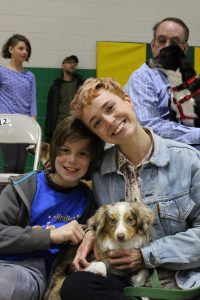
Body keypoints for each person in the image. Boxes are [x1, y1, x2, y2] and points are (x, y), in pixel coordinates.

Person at [60, 78, 200, 300]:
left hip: (184, 278)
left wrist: (145, 255)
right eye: (97, 123)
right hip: (124, 278)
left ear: (128, 100)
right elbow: (99, 218)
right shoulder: (99, 172)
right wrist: (90, 232)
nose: (109, 121)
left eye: (110, 107)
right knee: (76, 286)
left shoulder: (188, 160)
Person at [0, 116, 104, 300]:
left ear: (91, 160)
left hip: (29, 272)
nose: (72, 160)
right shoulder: (24, 186)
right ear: (54, 151)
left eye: (82, 153)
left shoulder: (88, 202)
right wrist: (50, 236)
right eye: (65, 150)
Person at [124, 17, 200, 150]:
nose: (167, 47)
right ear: (153, 46)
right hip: (157, 155)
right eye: (162, 40)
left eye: (175, 42)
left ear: (184, 48)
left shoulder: (188, 79)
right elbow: (149, 127)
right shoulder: (141, 78)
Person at [0, 34, 37, 174]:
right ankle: (4, 195)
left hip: (24, 123)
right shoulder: (1, 72)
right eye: (21, 48)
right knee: (10, 164)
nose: (24, 52)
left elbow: (33, 101)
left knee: (20, 165)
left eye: (26, 49)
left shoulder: (30, 76)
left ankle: (17, 195)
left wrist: (33, 124)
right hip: (5, 122)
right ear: (11, 49)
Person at [45, 55, 83, 143]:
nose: (72, 65)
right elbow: (50, 112)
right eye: (69, 62)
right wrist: (48, 135)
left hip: (77, 126)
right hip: (59, 127)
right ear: (62, 65)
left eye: (74, 63)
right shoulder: (55, 88)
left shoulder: (82, 86)